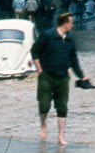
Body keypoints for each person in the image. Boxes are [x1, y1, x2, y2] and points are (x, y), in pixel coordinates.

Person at [31, 13, 90, 145]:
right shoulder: (48, 35)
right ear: (65, 24)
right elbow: (34, 51)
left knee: (62, 107)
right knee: (44, 104)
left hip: (63, 77)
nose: (72, 26)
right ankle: (43, 125)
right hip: (46, 75)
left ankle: (60, 136)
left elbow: (74, 60)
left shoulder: (70, 40)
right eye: (71, 23)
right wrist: (39, 69)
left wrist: (82, 76)